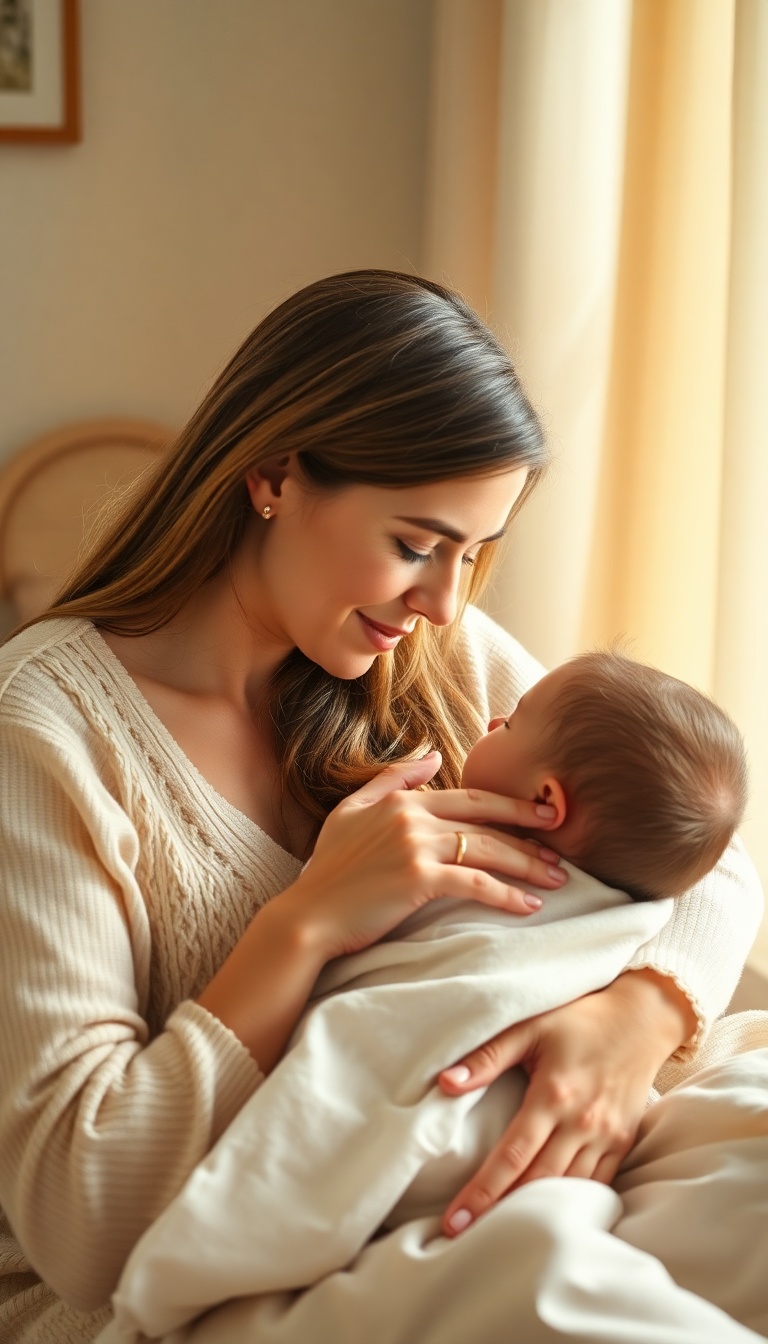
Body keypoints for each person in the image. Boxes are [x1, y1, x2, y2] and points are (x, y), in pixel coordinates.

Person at [0, 269, 762, 1344]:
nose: (445, 602)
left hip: (448, 1182)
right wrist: (305, 925)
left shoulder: (427, 653)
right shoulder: (44, 736)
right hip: (172, 1281)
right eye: (415, 545)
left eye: (473, 554)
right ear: (273, 475)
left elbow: (703, 842)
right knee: (555, 1293)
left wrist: (633, 1019)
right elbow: (82, 1225)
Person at [462, 647, 749, 904]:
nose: (493, 721)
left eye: (510, 724)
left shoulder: (469, 887)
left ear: (545, 803)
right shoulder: (637, 914)